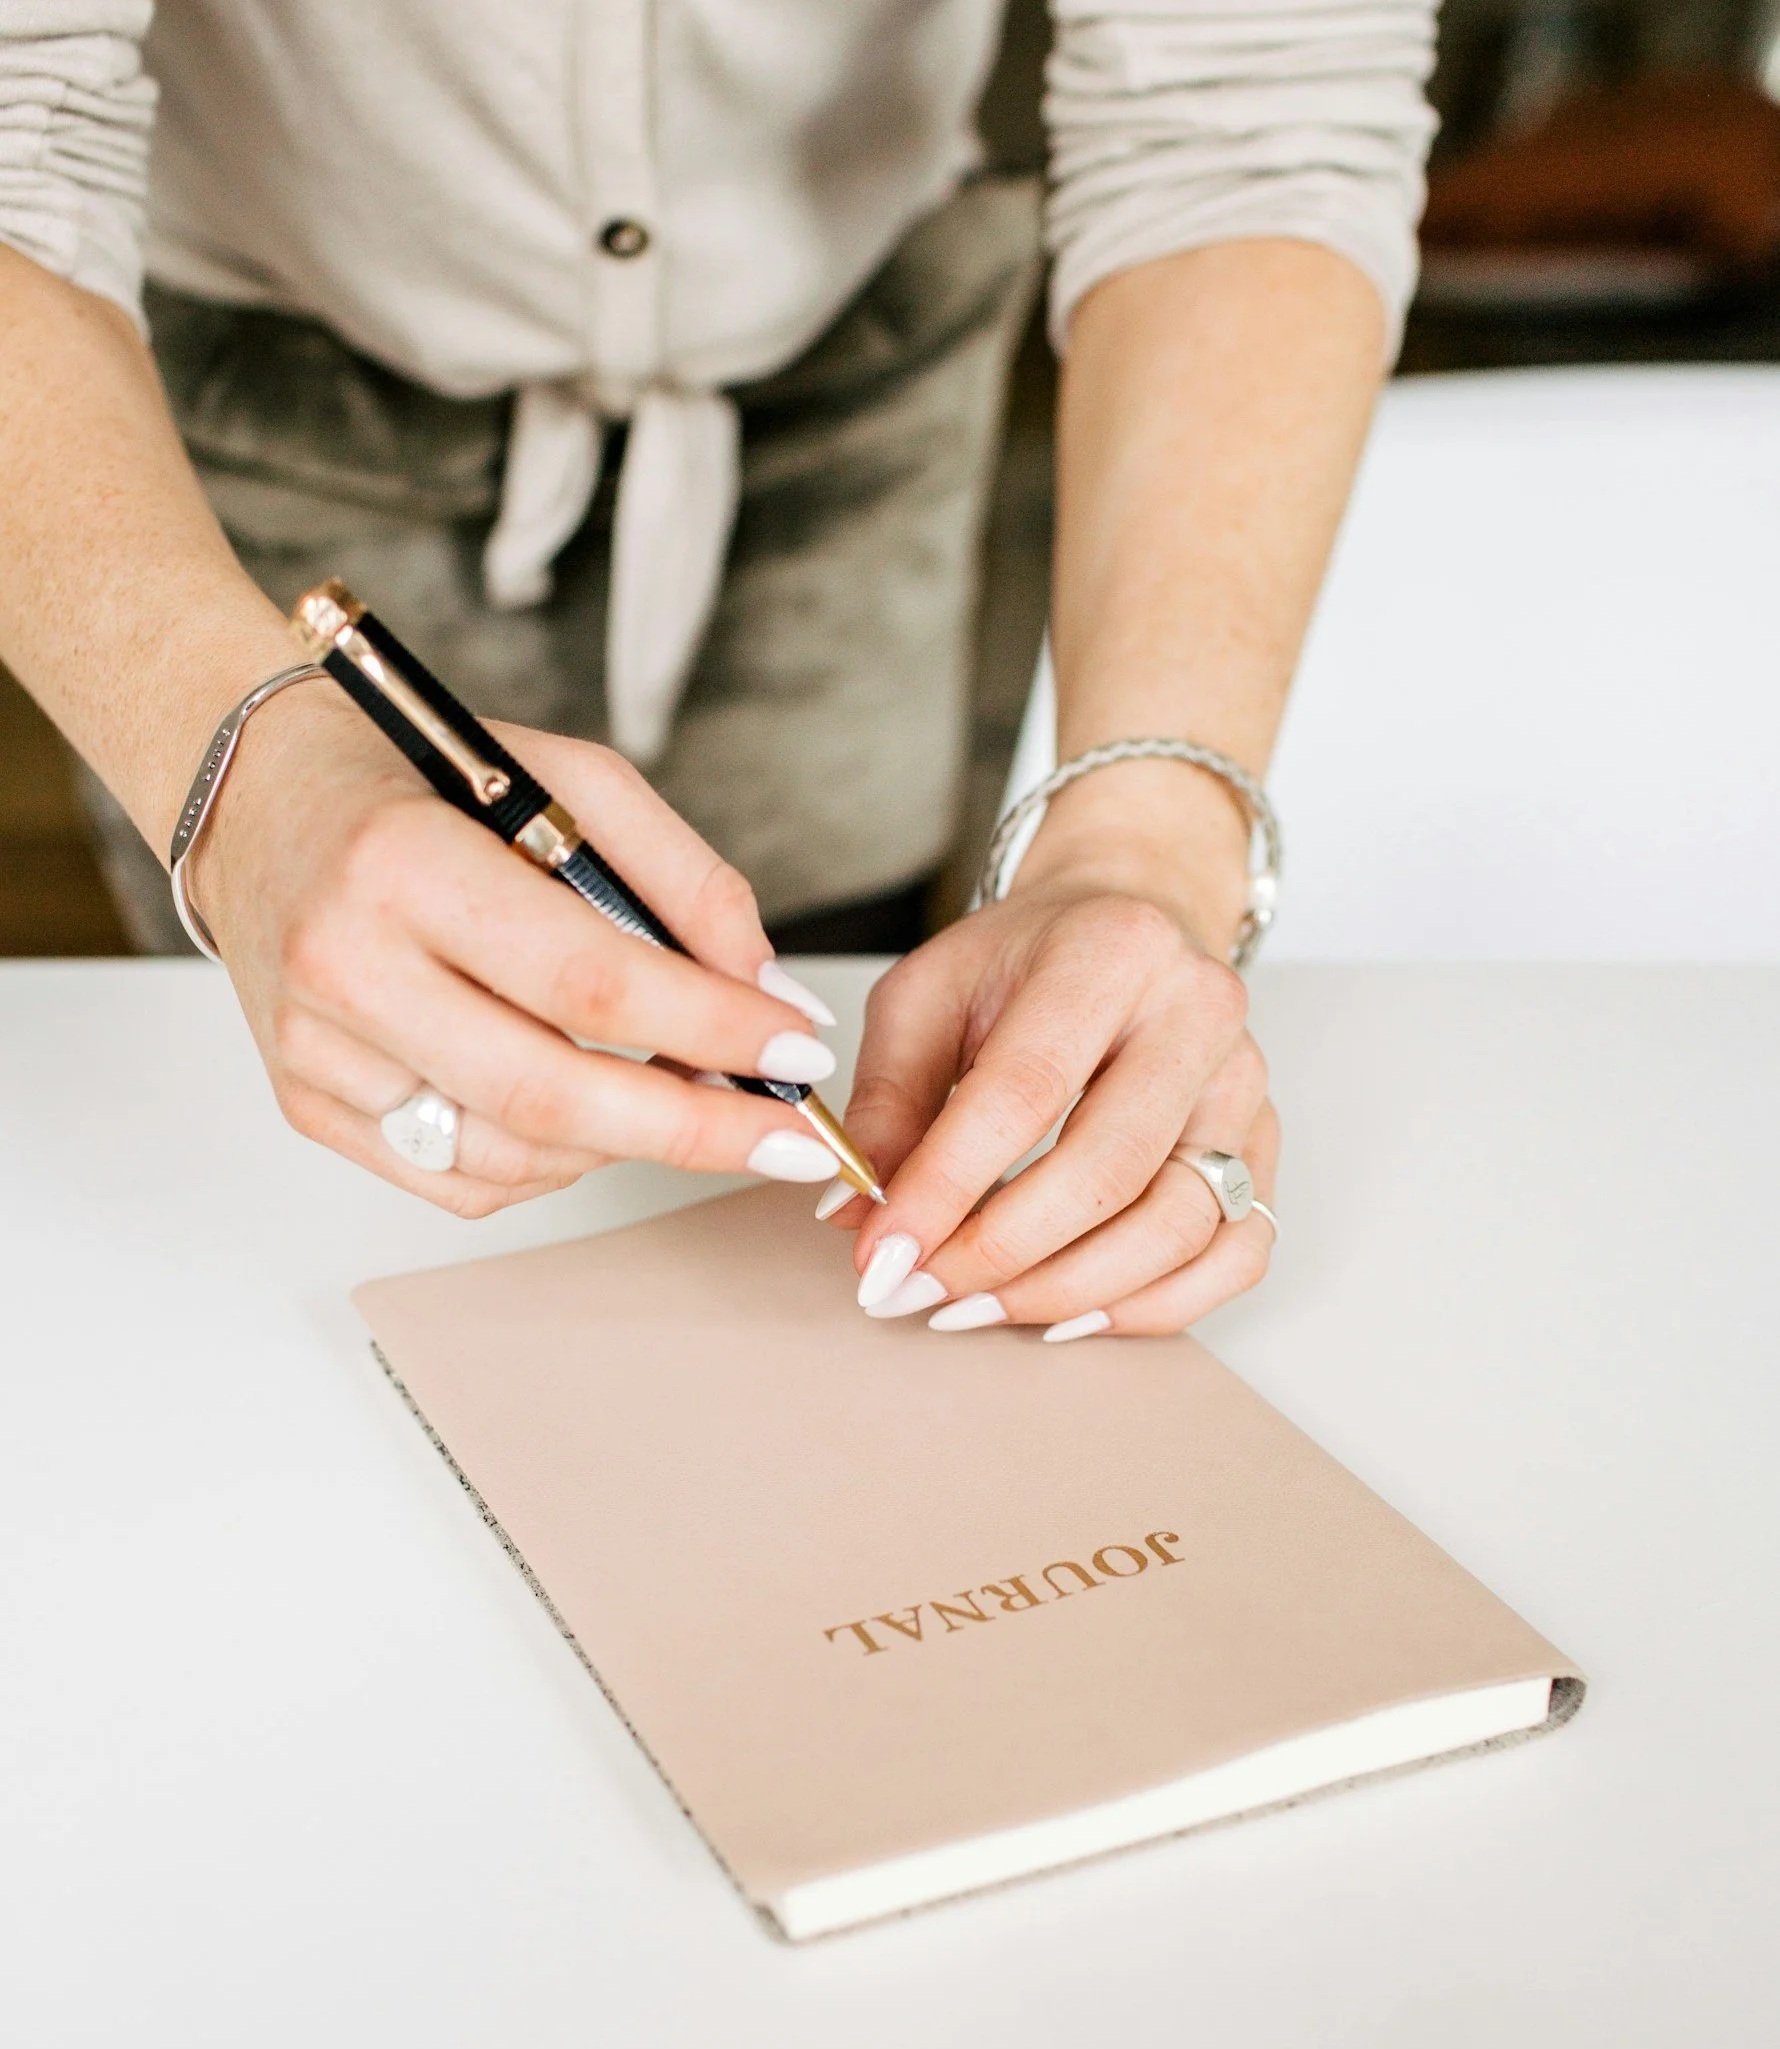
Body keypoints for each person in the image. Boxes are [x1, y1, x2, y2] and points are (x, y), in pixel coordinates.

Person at [0, 2, 1437, 1339]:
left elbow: (1256, 105)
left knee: (833, 986)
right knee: (325, 1091)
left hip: (853, 360)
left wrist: (1139, 854)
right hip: (200, 393)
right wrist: (243, 772)